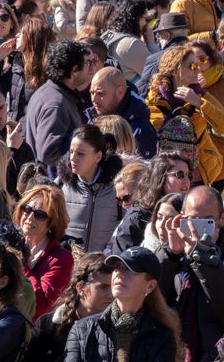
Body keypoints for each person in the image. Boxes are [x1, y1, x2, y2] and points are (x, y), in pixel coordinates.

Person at [155, 185, 224, 361]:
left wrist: (205, 260)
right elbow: (150, 297)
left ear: (222, 219)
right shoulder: (175, 257)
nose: (196, 228)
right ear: (181, 218)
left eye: (207, 221)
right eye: (192, 220)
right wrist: (170, 254)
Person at [64, 246, 181, 361]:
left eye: (130, 269)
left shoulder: (162, 337)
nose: (119, 273)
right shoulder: (82, 329)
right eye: (118, 267)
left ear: (150, 286)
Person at [146, 45, 224, 186]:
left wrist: (198, 103)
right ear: (174, 70)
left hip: (196, 174)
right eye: (192, 66)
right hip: (164, 175)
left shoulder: (201, 96)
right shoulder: (154, 99)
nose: (198, 70)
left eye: (198, 65)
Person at [25, 252, 113, 362]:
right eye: (103, 287)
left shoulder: (118, 329)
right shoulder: (47, 325)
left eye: (113, 287)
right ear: (80, 288)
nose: (111, 295)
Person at [24, 39, 89, 174]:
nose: (88, 68)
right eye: (86, 64)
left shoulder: (51, 93)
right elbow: (48, 153)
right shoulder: (56, 105)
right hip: (53, 182)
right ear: (74, 70)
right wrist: (85, 152)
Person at [59, 124, 123, 254]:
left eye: (80, 154)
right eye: (71, 152)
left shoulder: (117, 188)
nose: (73, 158)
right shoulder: (61, 186)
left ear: (98, 157)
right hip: (69, 262)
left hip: (103, 263)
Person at [13, 184, 74, 319]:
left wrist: (21, 262)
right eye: (27, 209)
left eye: (40, 215)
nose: (30, 217)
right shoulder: (8, 241)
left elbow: (41, 305)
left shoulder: (62, 259)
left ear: (52, 222)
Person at [90, 66, 158, 158]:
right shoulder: (91, 116)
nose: (94, 99)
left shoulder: (140, 130)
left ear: (120, 92)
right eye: (92, 93)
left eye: (100, 93)